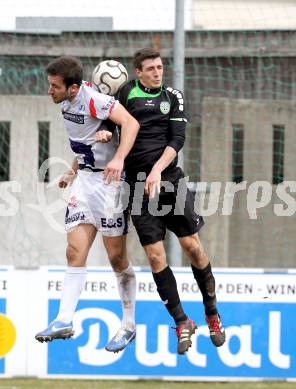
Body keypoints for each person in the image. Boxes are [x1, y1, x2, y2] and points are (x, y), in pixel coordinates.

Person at [118, 48, 225, 354]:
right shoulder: (126, 94)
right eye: (150, 68)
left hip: (169, 182)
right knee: (154, 256)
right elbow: (114, 125)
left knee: (192, 247)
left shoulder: (173, 96)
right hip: (138, 189)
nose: (157, 72)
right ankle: (182, 322)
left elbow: (177, 140)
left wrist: (155, 170)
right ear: (138, 72)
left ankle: (212, 311)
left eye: (160, 67)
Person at [35, 56, 140, 354]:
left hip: (109, 186)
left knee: (117, 259)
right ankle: (64, 319)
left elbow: (130, 124)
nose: (49, 91)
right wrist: (72, 169)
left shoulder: (94, 100)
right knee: (73, 251)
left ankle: (129, 324)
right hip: (85, 182)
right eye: (49, 84)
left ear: (72, 88)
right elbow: (85, 141)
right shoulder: (67, 102)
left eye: (55, 86)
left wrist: (118, 158)